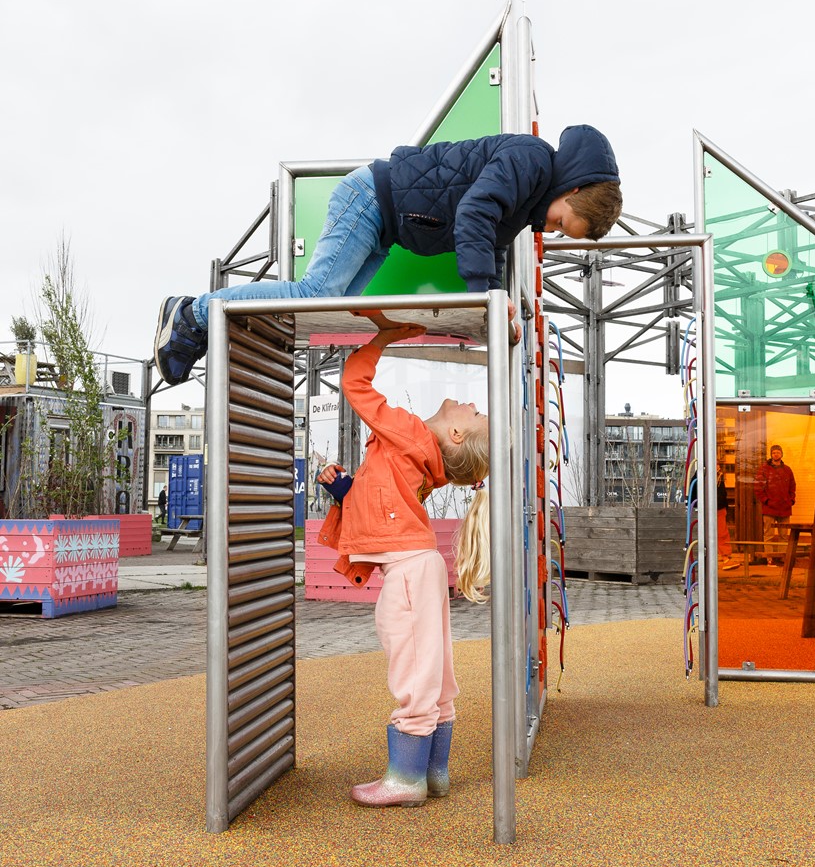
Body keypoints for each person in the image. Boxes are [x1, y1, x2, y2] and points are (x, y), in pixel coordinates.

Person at [153, 125, 622, 384]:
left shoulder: (530, 195)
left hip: (386, 225)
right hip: (371, 200)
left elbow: (493, 243)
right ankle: (193, 314)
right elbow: (475, 214)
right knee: (316, 292)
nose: (554, 228)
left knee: (323, 308)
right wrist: (486, 300)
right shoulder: (530, 160)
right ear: (572, 187)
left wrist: (496, 305)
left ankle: (205, 324)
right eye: (563, 221)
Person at [316, 320, 490, 809]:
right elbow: (382, 498)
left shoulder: (411, 432)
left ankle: (405, 778)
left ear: (454, 432)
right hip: (420, 564)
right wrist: (348, 491)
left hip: (410, 571)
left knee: (413, 667)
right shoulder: (424, 462)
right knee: (434, 668)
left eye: (474, 412)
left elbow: (354, 382)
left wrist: (385, 338)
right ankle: (434, 771)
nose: (470, 403)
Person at [753, 444, 796, 564]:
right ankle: (769, 559)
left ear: (781, 454)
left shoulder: (787, 470)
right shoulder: (764, 469)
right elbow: (758, 487)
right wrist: (766, 501)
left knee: (784, 536)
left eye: (778, 452)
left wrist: (791, 500)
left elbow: (792, 486)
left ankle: (782, 558)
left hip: (785, 507)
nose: (776, 454)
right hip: (769, 508)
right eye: (773, 452)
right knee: (769, 535)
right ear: (771, 455)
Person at [716, 463, 738, 570]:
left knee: (722, 533)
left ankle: (725, 557)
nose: (717, 467)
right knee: (721, 533)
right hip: (714, 507)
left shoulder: (719, 478)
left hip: (719, 508)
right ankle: (725, 557)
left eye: (718, 465)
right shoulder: (712, 478)